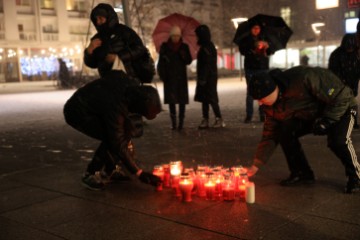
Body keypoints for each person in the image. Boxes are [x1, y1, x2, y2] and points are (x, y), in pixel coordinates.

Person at [246, 66, 360, 194]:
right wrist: (256, 164)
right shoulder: (270, 106)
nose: (260, 103)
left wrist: (327, 120)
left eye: (261, 99)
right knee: (285, 131)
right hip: (312, 115)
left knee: (338, 141)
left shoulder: (304, 77)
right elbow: (270, 134)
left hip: (342, 108)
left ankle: (356, 177)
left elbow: (342, 96)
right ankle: (302, 173)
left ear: (273, 89)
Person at [63, 70, 162, 190]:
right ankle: (90, 174)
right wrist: (139, 173)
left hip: (95, 107)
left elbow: (115, 73)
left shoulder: (132, 87)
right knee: (111, 138)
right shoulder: (117, 105)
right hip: (77, 112)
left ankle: (110, 170)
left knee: (123, 132)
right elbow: (118, 142)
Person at [84, 3, 147, 82]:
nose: (98, 22)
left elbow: (139, 48)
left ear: (109, 17)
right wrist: (89, 51)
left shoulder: (123, 31)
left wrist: (118, 57)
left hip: (129, 79)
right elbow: (92, 64)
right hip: (108, 83)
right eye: (96, 19)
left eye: (100, 18)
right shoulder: (96, 38)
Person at [157, 26, 192, 130]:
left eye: (177, 36)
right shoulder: (165, 46)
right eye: (174, 36)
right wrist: (163, 75)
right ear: (171, 36)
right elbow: (161, 63)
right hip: (169, 78)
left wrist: (184, 56)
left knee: (182, 101)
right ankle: (173, 123)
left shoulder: (184, 47)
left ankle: (181, 123)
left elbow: (188, 60)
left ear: (180, 36)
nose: (175, 38)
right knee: (171, 101)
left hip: (181, 78)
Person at [239, 21, 274, 123]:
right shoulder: (246, 39)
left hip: (262, 68)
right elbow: (243, 51)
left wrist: (267, 47)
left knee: (262, 92)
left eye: (258, 28)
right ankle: (249, 115)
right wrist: (253, 46)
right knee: (250, 92)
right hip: (250, 68)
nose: (256, 30)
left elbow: (270, 52)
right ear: (251, 29)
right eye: (254, 28)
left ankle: (262, 114)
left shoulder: (264, 38)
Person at [194, 24, 225, 129]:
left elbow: (207, 64)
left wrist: (203, 78)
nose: (196, 37)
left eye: (198, 35)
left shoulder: (206, 48)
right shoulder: (207, 46)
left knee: (211, 98)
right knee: (205, 99)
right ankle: (206, 119)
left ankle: (218, 118)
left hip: (208, 78)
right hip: (208, 77)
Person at [328, 33, 360, 129]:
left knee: (349, 104)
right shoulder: (338, 55)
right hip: (340, 85)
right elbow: (333, 70)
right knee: (348, 104)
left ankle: (347, 121)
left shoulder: (354, 54)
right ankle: (346, 121)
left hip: (350, 84)